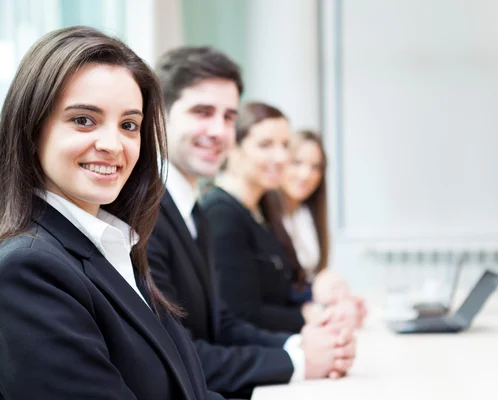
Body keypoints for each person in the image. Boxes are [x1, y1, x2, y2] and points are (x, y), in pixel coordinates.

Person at [0, 26, 226, 400]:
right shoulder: (26, 272)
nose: (112, 144)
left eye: (129, 125)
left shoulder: (114, 246)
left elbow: (190, 390)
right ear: (32, 128)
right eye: (83, 120)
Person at [147, 47, 356, 399]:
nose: (218, 130)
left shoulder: (194, 211)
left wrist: (299, 343)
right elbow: (175, 356)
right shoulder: (146, 218)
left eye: (229, 117)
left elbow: (222, 326)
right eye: (202, 112)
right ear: (160, 115)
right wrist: (299, 362)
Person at [200, 102, 353, 334]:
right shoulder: (221, 214)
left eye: (285, 146)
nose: (281, 157)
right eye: (265, 145)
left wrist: (325, 304)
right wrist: (309, 316)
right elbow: (241, 314)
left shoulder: (261, 209)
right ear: (233, 146)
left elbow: (279, 293)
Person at [280, 130, 367, 327]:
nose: (306, 174)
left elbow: (310, 279)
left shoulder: (305, 215)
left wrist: (338, 298)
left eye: (315, 167)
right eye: (297, 163)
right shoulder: (267, 219)